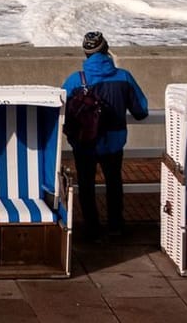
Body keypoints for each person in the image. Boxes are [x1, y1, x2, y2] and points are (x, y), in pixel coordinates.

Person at [61, 31, 149, 241]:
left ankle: (91, 229)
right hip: (114, 142)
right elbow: (141, 111)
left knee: (86, 185)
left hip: (84, 143)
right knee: (114, 184)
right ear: (106, 49)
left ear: (86, 52)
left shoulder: (75, 80)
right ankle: (115, 227)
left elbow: (61, 113)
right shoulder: (124, 77)